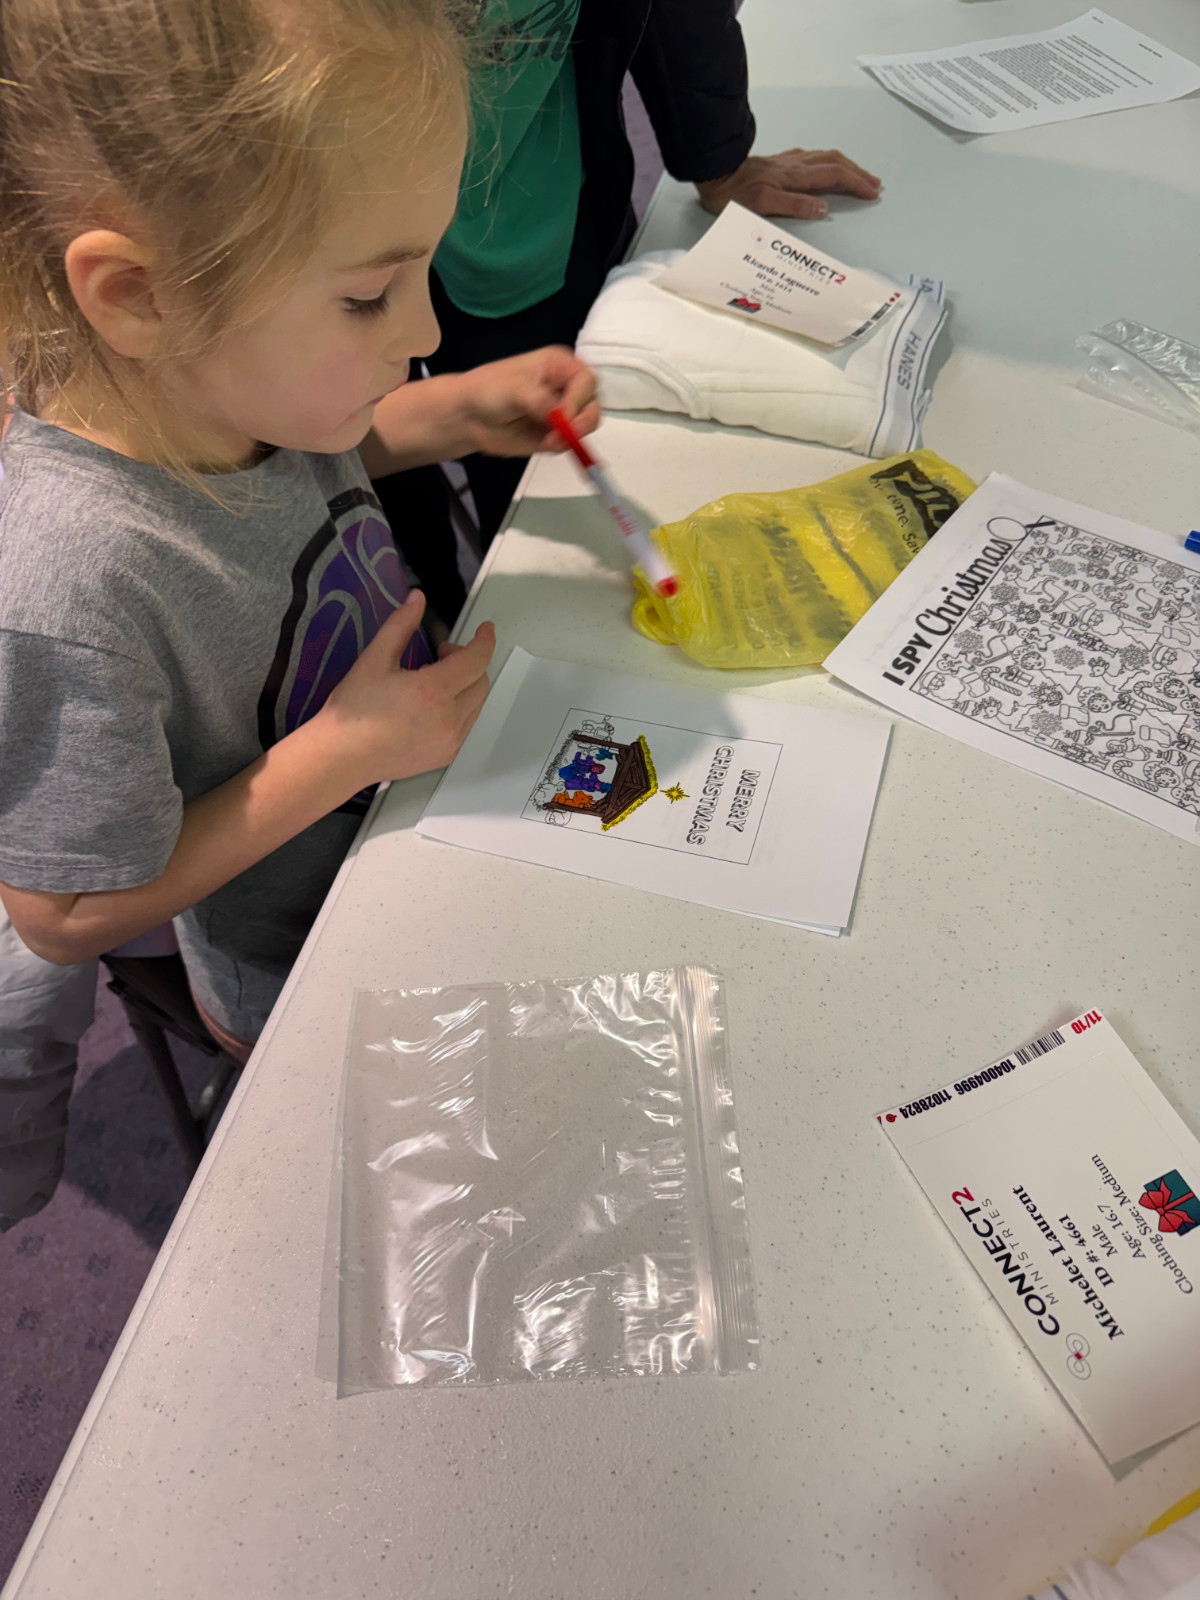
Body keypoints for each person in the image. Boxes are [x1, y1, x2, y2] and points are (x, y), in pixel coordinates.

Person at [0, 0, 599, 1220]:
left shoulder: (225, 384)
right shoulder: (67, 588)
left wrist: (452, 412)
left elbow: (305, 458)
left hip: (418, 815)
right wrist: (344, 752)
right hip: (308, 956)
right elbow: (62, 913)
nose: (426, 330)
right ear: (139, 294)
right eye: (372, 296)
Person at [374, 0, 883, 617]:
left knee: (512, 470)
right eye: (360, 301)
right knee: (377, 509)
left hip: (529, 216)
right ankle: (427, 602)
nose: (419, 336)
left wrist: (715, 152)